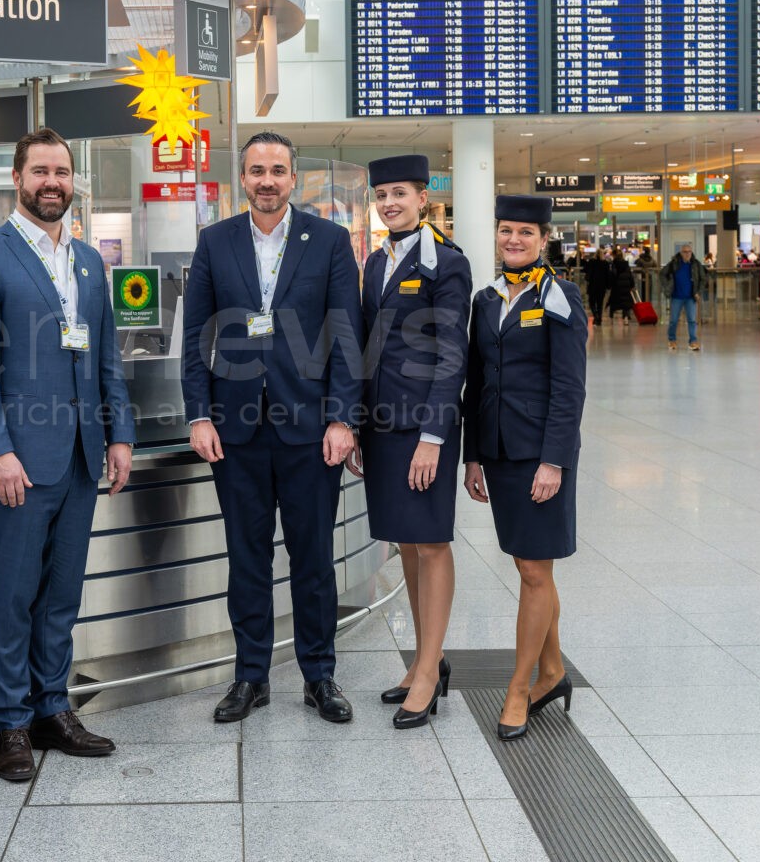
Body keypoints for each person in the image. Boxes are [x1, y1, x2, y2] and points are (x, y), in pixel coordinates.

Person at [0, 128, 136, 781]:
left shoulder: (89, 261)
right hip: (19, 466)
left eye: (62, 171)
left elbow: (106, 356)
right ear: (17, 177)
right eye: (40, 171)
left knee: (61, 595)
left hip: (82, 457)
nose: (52, 181)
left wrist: (120, 434)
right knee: (13, 596)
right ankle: (10, 723)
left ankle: (53, 708)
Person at [182, 130, 365, 725]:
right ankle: (250, 676)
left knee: (313, 558)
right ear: (243, 177)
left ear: (293, 178)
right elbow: (194, 338)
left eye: (277, 170)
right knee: (247, 557)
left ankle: (319, 674)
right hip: (235, 432)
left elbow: (347, 337)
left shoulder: (330, 242)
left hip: (311, 431)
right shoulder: (215, 242)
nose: (266, 180)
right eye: (256, 169)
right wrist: (199, 412)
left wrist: (343, 417)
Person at [351, 154, 471, 730]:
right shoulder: (375, 262)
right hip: (381, 424)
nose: (390, 202)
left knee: (431, 543)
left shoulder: (446, 263)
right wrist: (354, 423)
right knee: (405, 543)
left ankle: (426, 671)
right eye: (382, 195)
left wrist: (433, 437)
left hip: (425, 426)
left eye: (400, 193)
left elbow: (452, 355)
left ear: (425, 198)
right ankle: (429, 659)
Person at [461, 195, 587, 742]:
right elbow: (474, 379)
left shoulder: (561, 297)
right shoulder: (485, 299)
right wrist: (471, 454)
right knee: (530, 568)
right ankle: (554, 672)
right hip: (497, 451)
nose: (513, 240)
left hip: (541, 455)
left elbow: (569, 387)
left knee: (535, 571)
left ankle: (520, 687)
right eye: (506, 230)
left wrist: (553, 460)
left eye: (525, 233)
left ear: (544, 239)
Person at [660, 243, 708, 351]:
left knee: (691, 320)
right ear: (681, 253)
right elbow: (662, 274)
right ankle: (672, 340)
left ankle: (693, 342)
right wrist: (667, 287)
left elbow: (703, 278)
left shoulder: (696, 264)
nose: (687, 254)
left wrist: (698, 292)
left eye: (689, 252)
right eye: (685, 252)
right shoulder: (674, 264)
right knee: (673, 320)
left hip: (690, 297)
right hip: (676, 296)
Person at [581, 251, 610, 324]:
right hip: (602, 286)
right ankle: (599, 319)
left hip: (592, 285)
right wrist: (608, 286)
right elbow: (608, 275)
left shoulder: (591, 262)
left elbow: (585, 269)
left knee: (592, 302)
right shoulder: (605, 263)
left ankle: (595, 315)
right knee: (600, 303)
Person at [607, 252, 634, 324]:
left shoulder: (614, 264)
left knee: (614, 301)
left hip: (616, 286)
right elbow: (630, 276)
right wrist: (632, 285)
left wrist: (609, 285)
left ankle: (611, 317)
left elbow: (612, 275)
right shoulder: (626, 265)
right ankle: (625, 318)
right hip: (626, 286)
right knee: (625, 303)